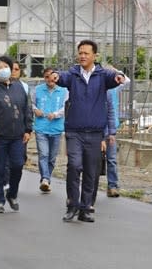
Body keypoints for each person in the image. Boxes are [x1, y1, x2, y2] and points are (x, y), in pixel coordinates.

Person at [53, 40, 126, 223]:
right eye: (80, 53)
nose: (82, 56)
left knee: (91, 172)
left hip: (95, 133)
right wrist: (55, 75)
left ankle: (86, 208)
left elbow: (115, 77)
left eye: (86, 53)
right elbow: (62, 77)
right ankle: (72, 205)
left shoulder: (102, 75)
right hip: (74, 132)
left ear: (95, 55)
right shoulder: (73, 74)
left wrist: (119, 76)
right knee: (74, 166)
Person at [0, 55, 32, 213]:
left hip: (17, 135)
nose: (4, 70)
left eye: (6, 66)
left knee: (17, 165)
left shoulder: (19, 88)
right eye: (0, 68)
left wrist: (28, 129)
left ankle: (12, 193)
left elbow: (26, 109)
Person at [32, 67, 67, 193]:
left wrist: (56, 114)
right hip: (41, 127)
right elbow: (31, 103)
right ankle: (45, 179)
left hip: (56, 128)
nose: (49, 80)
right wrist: (35, 109)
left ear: (56, 77)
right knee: (44, 154)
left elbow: (66, 107)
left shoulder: (64, 91)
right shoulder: (37, 90)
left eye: (52, 77)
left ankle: (46, 177)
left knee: (52, 158)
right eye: (46, 77)